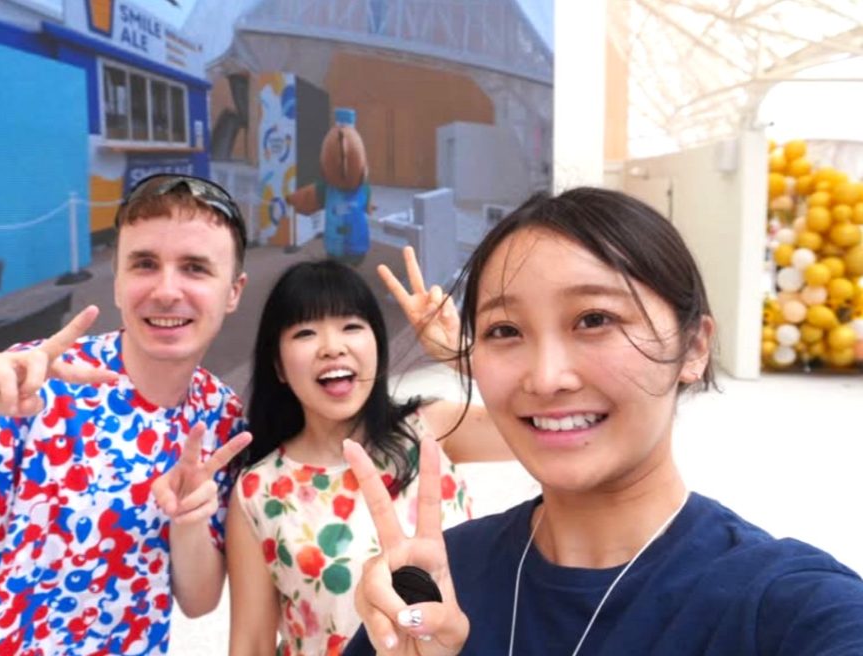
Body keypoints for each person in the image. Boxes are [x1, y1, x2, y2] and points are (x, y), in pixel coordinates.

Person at [341, 187, 863, 655]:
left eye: (594, 320)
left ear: (694, 347)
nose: (546, 378)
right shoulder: (437, 584)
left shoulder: (781, 604)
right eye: (505, 330)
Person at [0, 174, 255, 654]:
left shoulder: (219, 416)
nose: (166, 290)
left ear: (233, 291)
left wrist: (188, 519)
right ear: (118, 282)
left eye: (195, 268)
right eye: (144, 264)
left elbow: (198, 601)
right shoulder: (32, 387)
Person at [225, 257, 515, 656]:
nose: (332, 347)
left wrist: (460, 355)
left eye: (351, 326)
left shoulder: (431, 428)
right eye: (306, 332)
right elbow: (251, 643)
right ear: (278, 365)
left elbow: (538, 429)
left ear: (378, 344)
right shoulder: (258, 490)